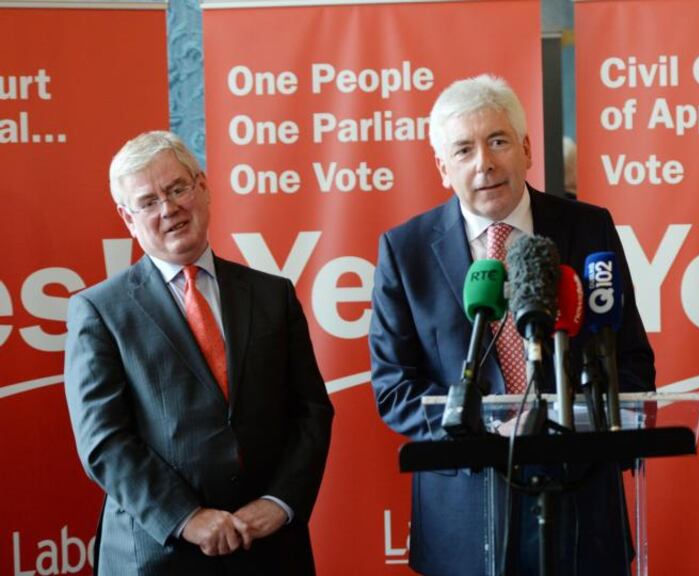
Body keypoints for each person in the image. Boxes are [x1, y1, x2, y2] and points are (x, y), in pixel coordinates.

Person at [369, 74, 655, 575]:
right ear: (442, 167)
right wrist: (486, 429)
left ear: (525, 147)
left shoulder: (589, 229)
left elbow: (629, 359)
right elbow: (395, 389)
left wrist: (585, 423)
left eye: (498, 141)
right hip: (464, 508)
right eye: (463, 150)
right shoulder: (405, 250)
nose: (484, 163)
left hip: (581, 497)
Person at [64, 131, 334, 576]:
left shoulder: (272, 295)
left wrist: (279, 502)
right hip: (157, 553)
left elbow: (311, 411)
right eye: (148, 201)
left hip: (270, 549)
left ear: (203, 188)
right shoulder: (99, 311)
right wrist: (186, 518)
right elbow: (104, 442)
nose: (168, 209)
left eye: (177, 189)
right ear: (127, 218)